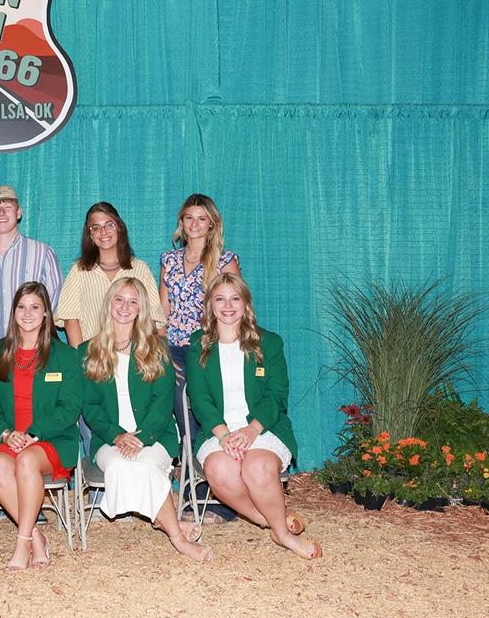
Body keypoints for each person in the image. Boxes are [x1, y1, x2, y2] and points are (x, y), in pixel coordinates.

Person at [186, 273, 321, 560]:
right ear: (209, 305)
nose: (227, 306)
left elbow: (277, 395)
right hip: (217, 431)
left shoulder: (268, 343)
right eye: (220, 299)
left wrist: (250, 431)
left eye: (235, 298)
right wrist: (224, 436)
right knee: (220, 470)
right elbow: (199, 398)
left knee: (256, 467)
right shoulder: (199, 344)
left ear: (246, 304)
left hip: (263, 428)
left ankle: (284, 537)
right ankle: (270, 521)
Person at [80, 279, 212, 562]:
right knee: (118, 466)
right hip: (109, 440)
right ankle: (171, 524)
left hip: (155, 435)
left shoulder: (158, 349)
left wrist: (142, 437)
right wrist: (116, 435)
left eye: (133, 301)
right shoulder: (87, 351)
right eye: (119, 299)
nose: (125, 307)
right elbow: (89, 406)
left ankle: (177, 539)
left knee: (148, 465)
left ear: (141, 308)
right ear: (109, 304)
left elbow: (163, 404)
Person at [0, 282, 82, 572]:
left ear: (47, 313)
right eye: (21, 307)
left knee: (26, 461)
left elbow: (70, 408)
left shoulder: (65, 356)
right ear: (13, 313)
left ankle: (21, 543)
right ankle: (37, 537)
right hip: (11, 439)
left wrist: (33, 434)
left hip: (52, 439)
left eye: (35, 307)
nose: (28, 313)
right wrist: (6, 433)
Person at [160, 193, 241, 524]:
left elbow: (235, 307)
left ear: (212, 224)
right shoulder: (168, 260)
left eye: (201, 218)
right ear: (181, 223)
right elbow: (162, 312)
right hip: (174, 347)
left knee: (208, 416)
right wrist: (159, 350)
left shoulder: (225, 261)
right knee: (183, 417)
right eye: (189, 217)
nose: (194, 224)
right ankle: (194, 491)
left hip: (209, 347)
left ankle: (219, 498)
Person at [0, 184, 62, 454]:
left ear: (19, 212)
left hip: (35, 361)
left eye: (7, 205)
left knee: (35, 439)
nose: (1, 211)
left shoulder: (42, 253)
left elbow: (52, 303)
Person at [55, 201, 164, 348]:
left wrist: (162, 354)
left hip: (133, 358)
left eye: (109, 225)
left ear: (119, 228)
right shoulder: (79, 271)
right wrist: (81, 358)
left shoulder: (140, 269)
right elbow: (70, 319)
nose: (103, 232)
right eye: (96, 228)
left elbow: (154, 318)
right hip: (93, 358)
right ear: (90, 234)